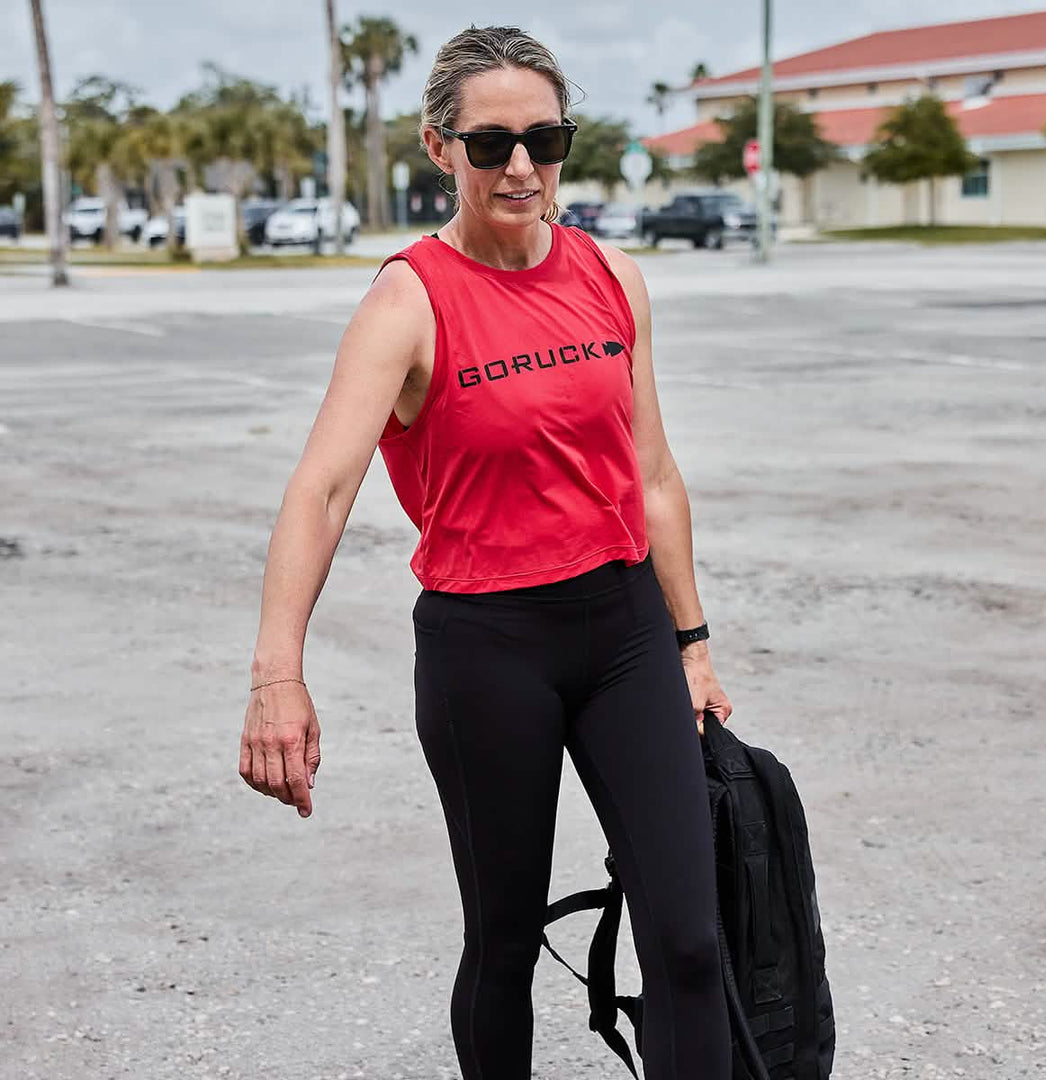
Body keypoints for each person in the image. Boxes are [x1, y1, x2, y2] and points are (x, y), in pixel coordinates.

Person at [239, 24, 735, 1080]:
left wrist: (692, 640)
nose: (521, 168)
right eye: (491, 144)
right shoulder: (407, 300)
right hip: (486, 648)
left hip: (627, 632)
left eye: (545, 140)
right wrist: (277, 674)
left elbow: (651, 473)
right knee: (504, 941)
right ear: (438, 148)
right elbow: (323, 487)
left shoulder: (612, 275)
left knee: (691, 941)